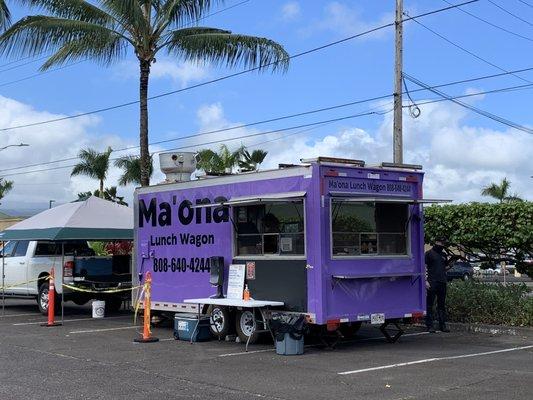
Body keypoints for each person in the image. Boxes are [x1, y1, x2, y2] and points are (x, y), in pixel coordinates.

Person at [425, 239, 455, 333]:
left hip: (442, 281)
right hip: (432, 281)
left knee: (441, 305)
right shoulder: (429, 254)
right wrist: (425, 280)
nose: (441, 244)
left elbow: (444, 268)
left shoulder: (443, 255)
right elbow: (424, 267)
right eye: (440, 242)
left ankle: (443, 325)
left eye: (443, 243)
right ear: (435, 243)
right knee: (430, 304)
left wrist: (451, 265)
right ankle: (430, 325)